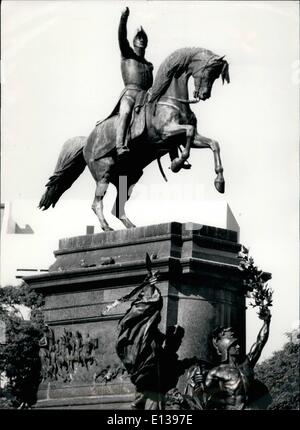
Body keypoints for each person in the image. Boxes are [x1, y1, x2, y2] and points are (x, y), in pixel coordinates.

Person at [190, 308, 272, 410]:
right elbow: (204, 395)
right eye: (234, 345)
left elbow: (260, 342)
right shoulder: (216, 372)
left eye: (237, 344)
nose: (238, 347)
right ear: (226, 348)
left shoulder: (246, 363)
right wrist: (199, 384)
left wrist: (266, 322)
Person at [115, 7, 153, 158]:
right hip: (130, 94)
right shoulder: (127, 54)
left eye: (143, 37)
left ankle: (174, 156)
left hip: (145, 96)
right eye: (139, 37)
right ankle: (119, 145)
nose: (141, 39)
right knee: (125, 112)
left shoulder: (149, 65)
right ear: (134, 41)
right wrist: (123, 18)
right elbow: (121, 36)